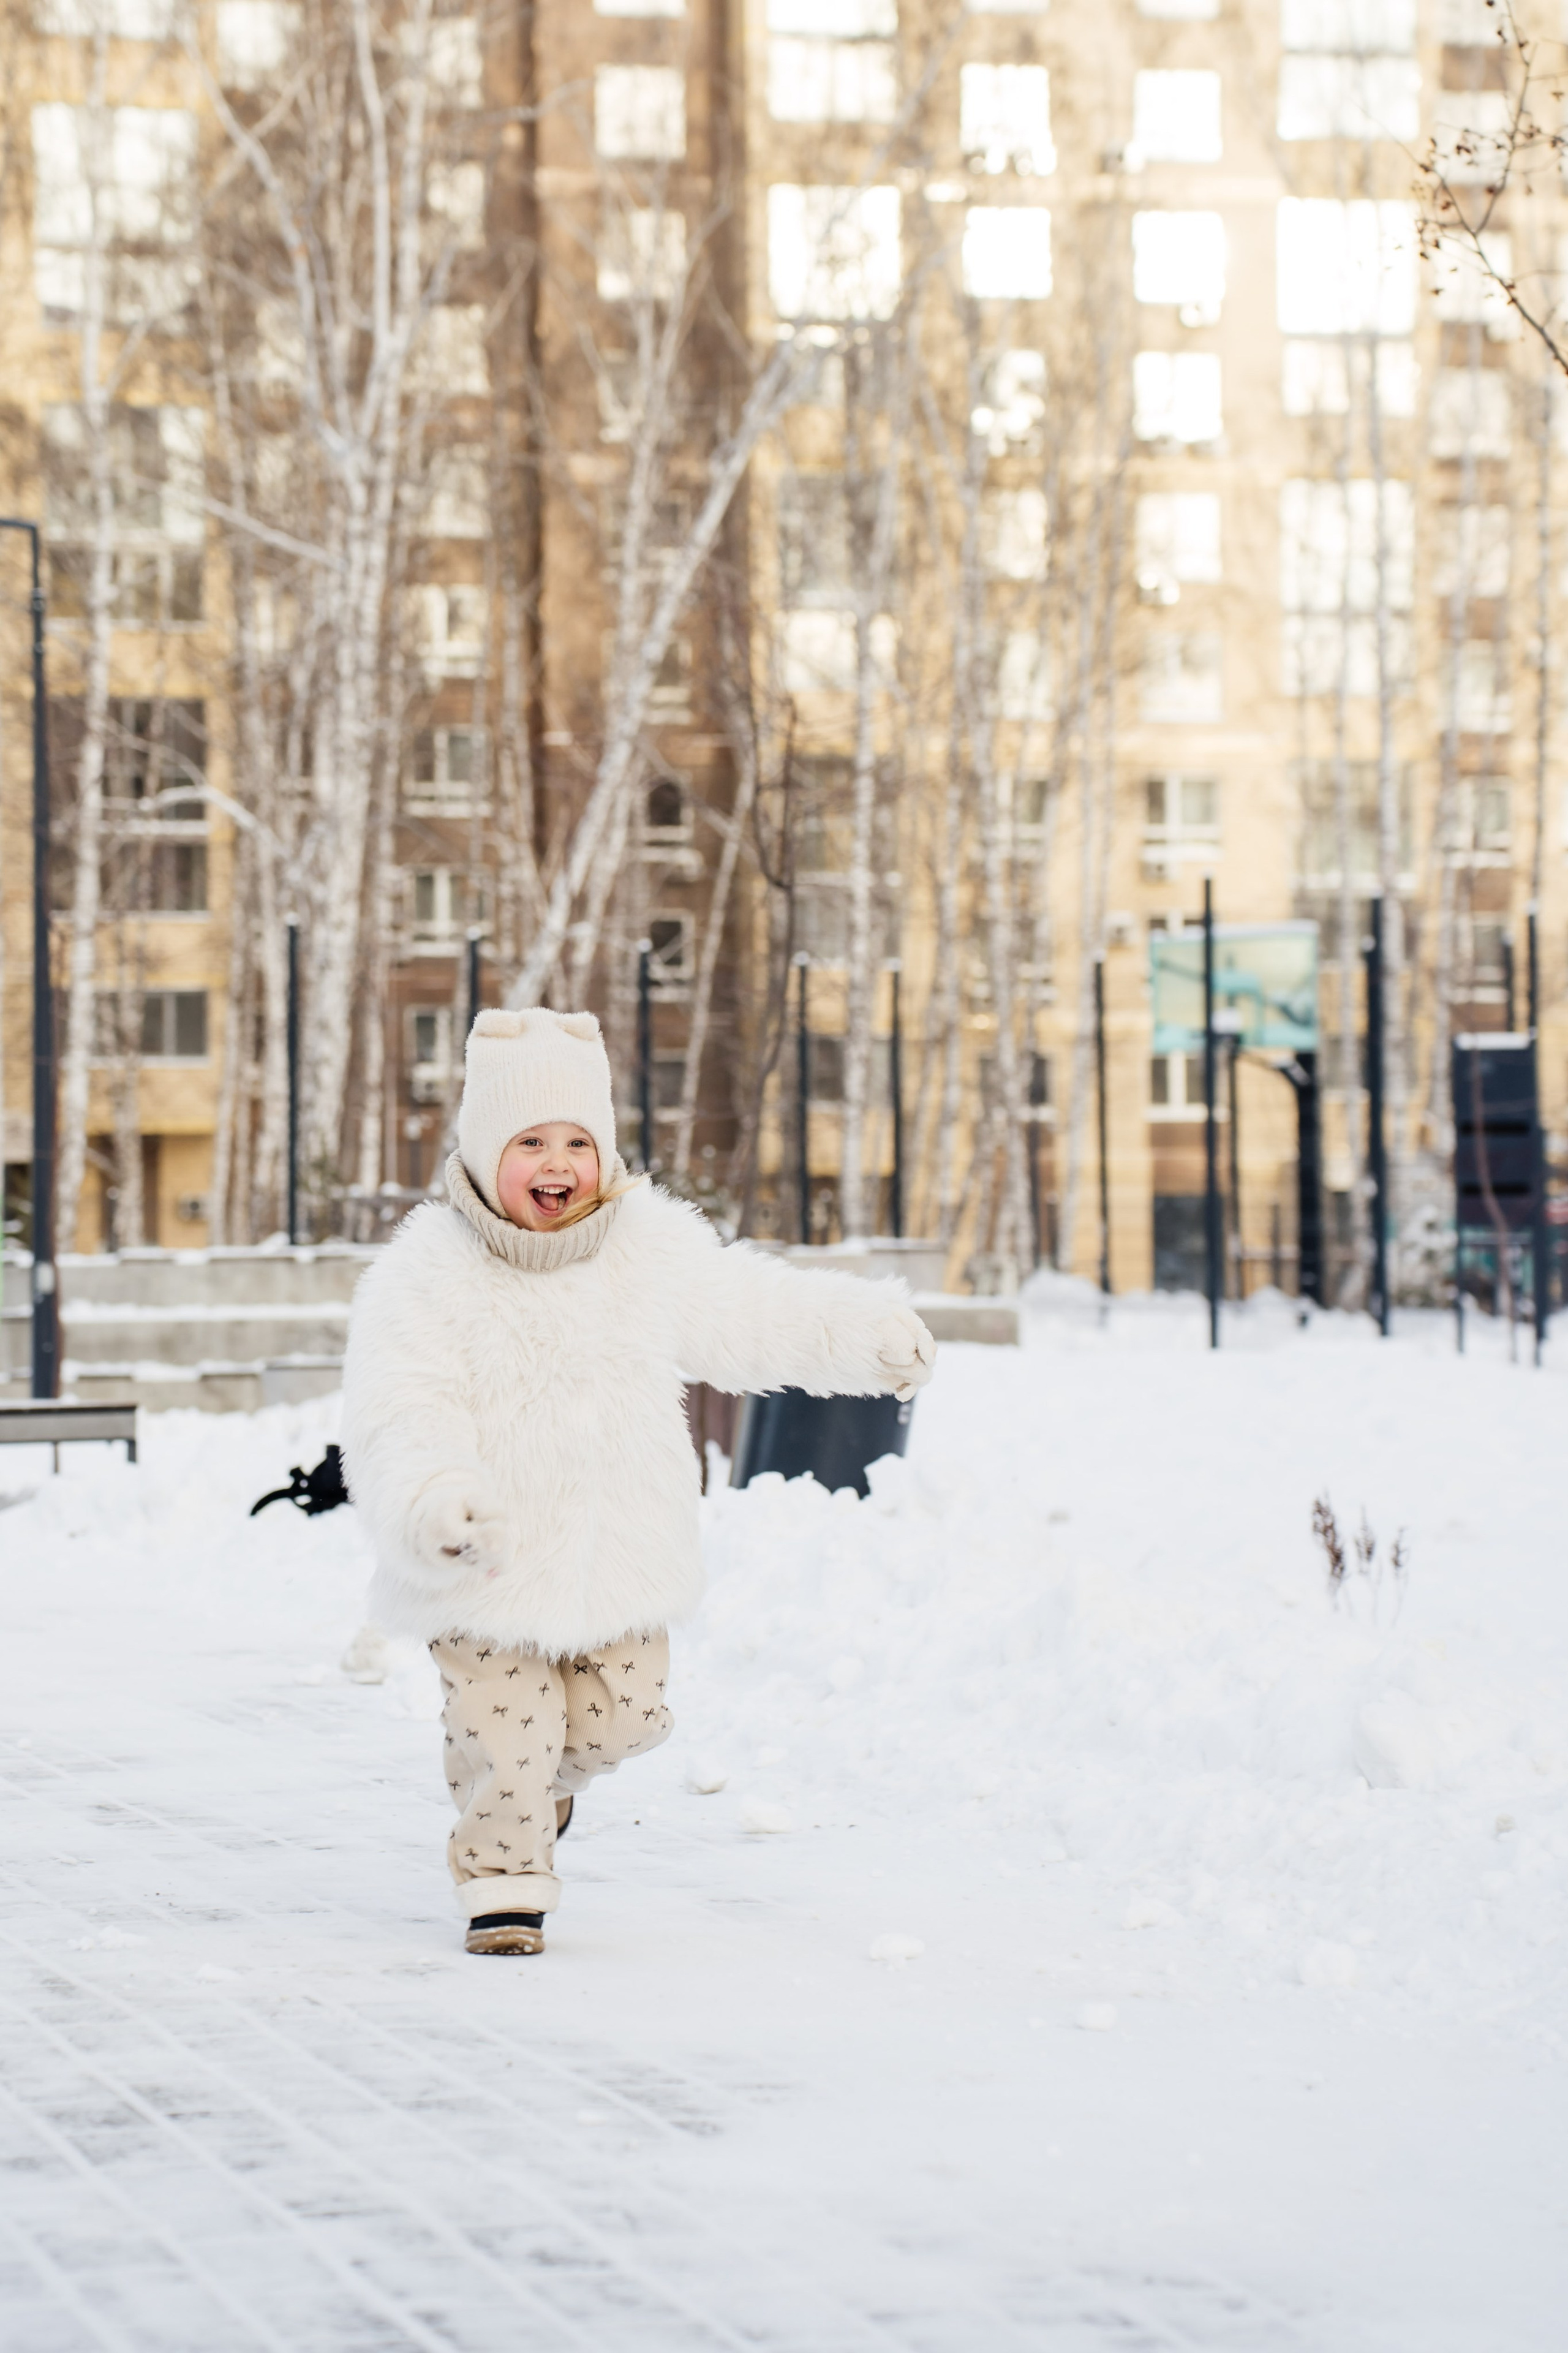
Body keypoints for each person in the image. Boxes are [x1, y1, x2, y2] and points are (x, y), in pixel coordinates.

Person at [342, 1007, 935, 1955]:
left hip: (620, 1558)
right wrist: (435, 1499)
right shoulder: (428, 1273)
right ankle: (505, 1884)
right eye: (530, 1140)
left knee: (624, 1718)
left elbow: (754, 1310)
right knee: (509, 1731)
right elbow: (397, 1411)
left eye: (578, 1140)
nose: (557, 1162)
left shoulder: (648, 1248)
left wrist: (866, 1332)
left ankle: (539, 1792)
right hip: (479, 1567)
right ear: (484, 1146)